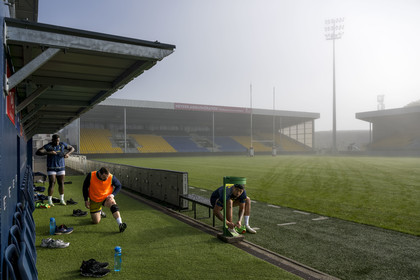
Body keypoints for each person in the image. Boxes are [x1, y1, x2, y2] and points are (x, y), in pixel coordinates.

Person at [82, 167, 127, 233]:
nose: (106, 179)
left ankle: (120, 224)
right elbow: (85, 187)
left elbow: (119, 185)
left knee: (113, 204)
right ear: (99, 173)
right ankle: (100, 211)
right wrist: (86, 200)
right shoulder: (91, 175)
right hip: (95, 200)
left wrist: (112, 195)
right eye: (104, 177)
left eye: (107, 177)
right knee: (96, 221)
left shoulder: (111, 177)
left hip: (106, 198)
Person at [36, 134, 74, 206]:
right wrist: (49, 152)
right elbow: (38, 152)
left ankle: (62, 200)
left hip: (61, 167)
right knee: (52, 183)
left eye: (58, 141)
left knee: (61, 183)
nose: (57, 142)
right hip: (51, 167)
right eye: (56, 141)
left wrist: (68, 154)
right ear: (52, 140)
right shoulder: (48, 146)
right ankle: (50, 201)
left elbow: (72, 148)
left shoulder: (62, 145)